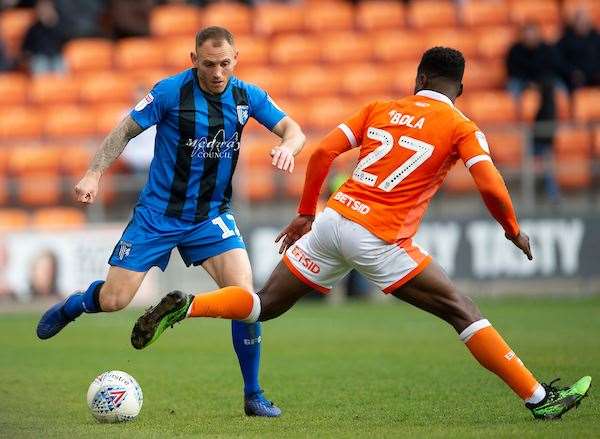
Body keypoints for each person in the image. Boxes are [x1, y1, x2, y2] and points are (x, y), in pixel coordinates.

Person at [132, 47, 591, 420]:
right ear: (460, 90)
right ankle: (538, 398)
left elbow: (323, 152)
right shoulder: (461, 126)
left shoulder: (381, 108)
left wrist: (306, 213)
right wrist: (512, 229)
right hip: (380, 235)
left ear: (419, 80)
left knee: (262, 304)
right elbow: (489, 182)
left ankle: (190, 306)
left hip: (333, 219)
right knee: (461, 309)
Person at [36, 26, 306, 417]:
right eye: (209, 64)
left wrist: (288, 146)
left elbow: (293, 130)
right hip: (157, 216)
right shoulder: (168, 93)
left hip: (209, 216)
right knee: (114, 300)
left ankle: (253, 394)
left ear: (236, 60)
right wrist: (94, 173)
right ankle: (75, 305)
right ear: (193, 60)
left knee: (245, 299)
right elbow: (123, 131)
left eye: (225, 64)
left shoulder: (248, 96)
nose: (217, 73)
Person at [506, 23, 565, 97]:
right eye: (527, 35)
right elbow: (513, 70)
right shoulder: (515, 50)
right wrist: (528, 82)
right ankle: (515, 108)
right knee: (513, 86)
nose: (530, 37)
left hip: (542, 80)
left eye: (532, 34)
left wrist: (538, 81)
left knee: (558, 86)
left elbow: (551, 68)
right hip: (522, 80)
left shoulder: (546, 49)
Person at [557, 9, 600, 91]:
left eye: (585, 21)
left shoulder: (596, 38)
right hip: (574, 78)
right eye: (579, 21)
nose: (582, 24)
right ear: (574, 23)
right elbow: (560, 61)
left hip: (595, 75)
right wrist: (572, 71)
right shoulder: (565, 40)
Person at [21, 0, 67, 75]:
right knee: (40, 63)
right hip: (39, 58)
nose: (44, 11)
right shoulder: (33, 29)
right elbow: (26, 48)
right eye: (42, 8)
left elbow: (64, 41)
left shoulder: (58, 26)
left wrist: (52, 23)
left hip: (56, 57)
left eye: (47, 8)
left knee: (60, 63)